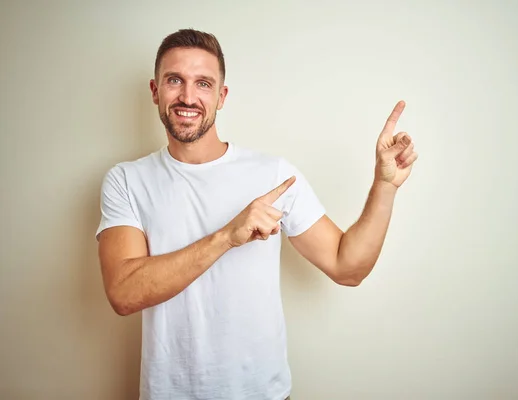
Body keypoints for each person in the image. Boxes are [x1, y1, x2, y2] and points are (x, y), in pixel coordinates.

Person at [96, 28, 418, 400]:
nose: (188, 96)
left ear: (222, 96)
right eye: (174, 80)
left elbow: (349, 268)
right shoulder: (126, 181)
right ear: (155, 90)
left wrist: (385, 184)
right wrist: (227, 236)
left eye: (203, 83)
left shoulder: (274, 176)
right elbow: (123, 292)